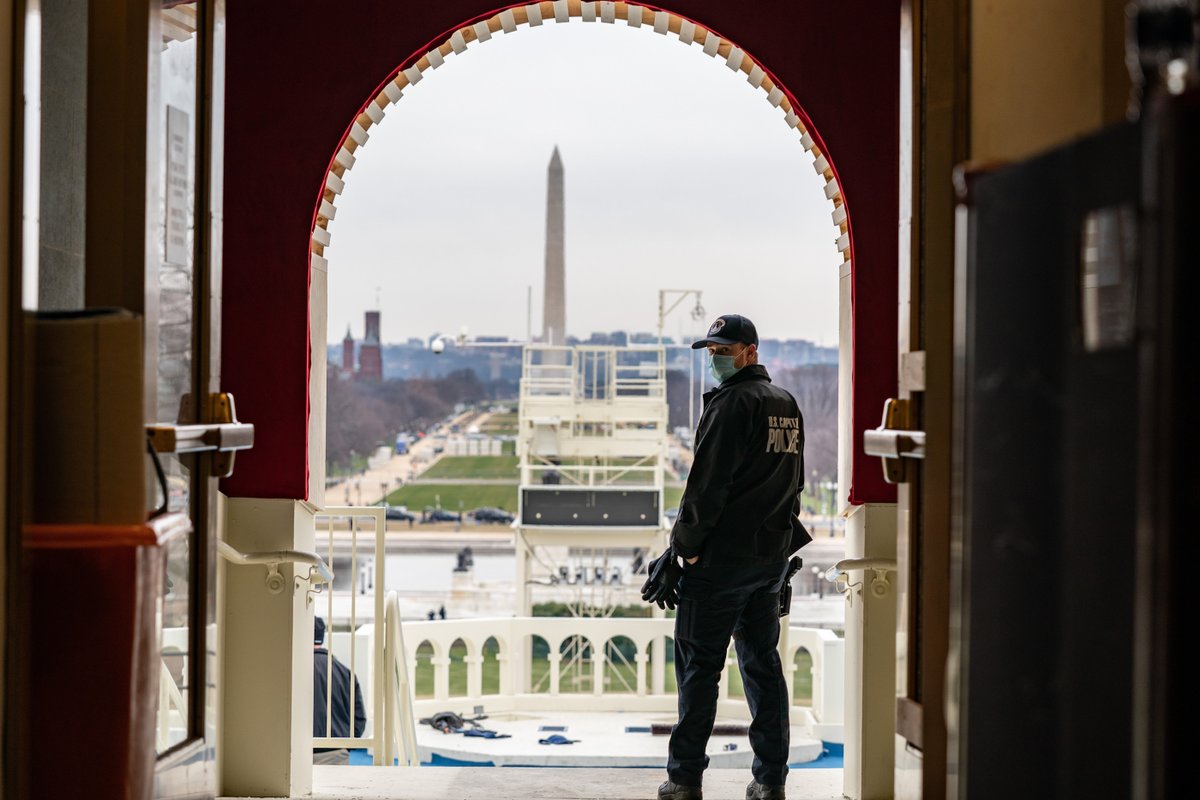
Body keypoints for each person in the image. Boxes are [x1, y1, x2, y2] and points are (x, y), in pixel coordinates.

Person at [643, 314, 811, 800]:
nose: (715, 357)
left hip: (720, 566)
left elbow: (706, 489)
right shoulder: (786, 404)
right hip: (767, 562)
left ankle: (684, 778)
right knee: (763, 669)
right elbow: (793, 486)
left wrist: (682, 553)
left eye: (723, 349)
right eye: (712, 349)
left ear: (749, 351)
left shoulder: (730, 404)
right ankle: (771, 779)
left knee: (699, 671)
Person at [312, 616, 367, 765]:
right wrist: (344, 744)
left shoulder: (290, 671)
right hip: (336, 753)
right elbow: (359, 718)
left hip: (296, 752)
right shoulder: (344, 672)